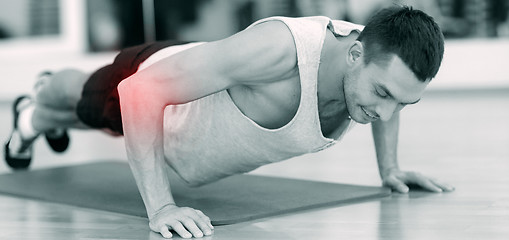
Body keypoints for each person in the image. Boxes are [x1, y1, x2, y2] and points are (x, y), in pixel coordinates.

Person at [4, 5, 455, 239]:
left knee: (96, 122)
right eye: (382, 94)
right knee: (84, 101)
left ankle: (41, 115)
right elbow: (139, 92)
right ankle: (36, 106)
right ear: (355, 54)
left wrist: (390, 168)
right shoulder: (281, 51)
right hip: (155, 91)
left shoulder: (371, 62)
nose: (386, 112)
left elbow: (388, 97)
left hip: (190, 128)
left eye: (403, 103)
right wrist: (161, 208)